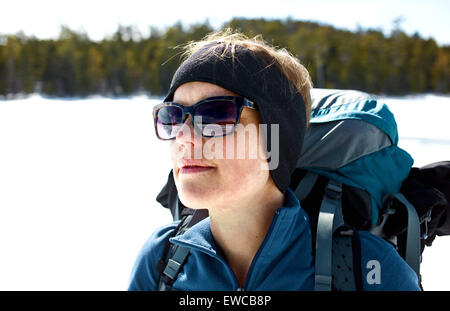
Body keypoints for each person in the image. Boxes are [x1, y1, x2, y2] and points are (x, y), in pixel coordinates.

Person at [127, 29, 420, 291]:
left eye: (215, 115)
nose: (184, 137)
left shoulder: (368, 270)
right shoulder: (160, 260)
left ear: (275, 141)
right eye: (172, 117)